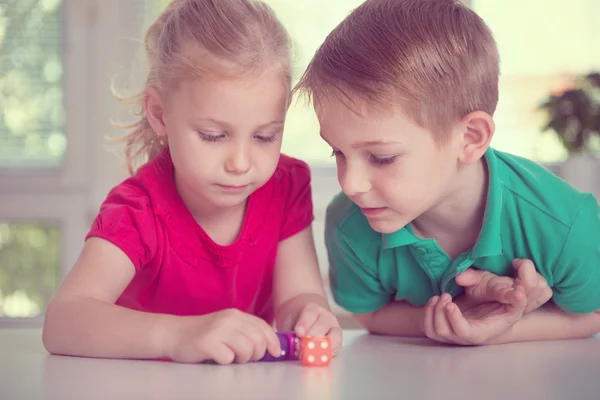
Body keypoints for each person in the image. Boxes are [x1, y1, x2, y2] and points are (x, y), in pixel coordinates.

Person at [42, 0, 342, 364]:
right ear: (159, 114)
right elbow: (63, 321)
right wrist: (179, 336)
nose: (241, 163)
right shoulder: (138, 210)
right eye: (214, 135)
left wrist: (310, 316)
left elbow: (299, 296)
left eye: (265, 136)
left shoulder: (285, 186)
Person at [292, 0, 600, 345]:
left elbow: (593, 315)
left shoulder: (566, 224)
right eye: (338, 152)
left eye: (381, 157)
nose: (350, 184)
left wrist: (501, 329)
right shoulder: (349, 223)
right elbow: (370, 313)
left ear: (470, 139)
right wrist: (459, 316)